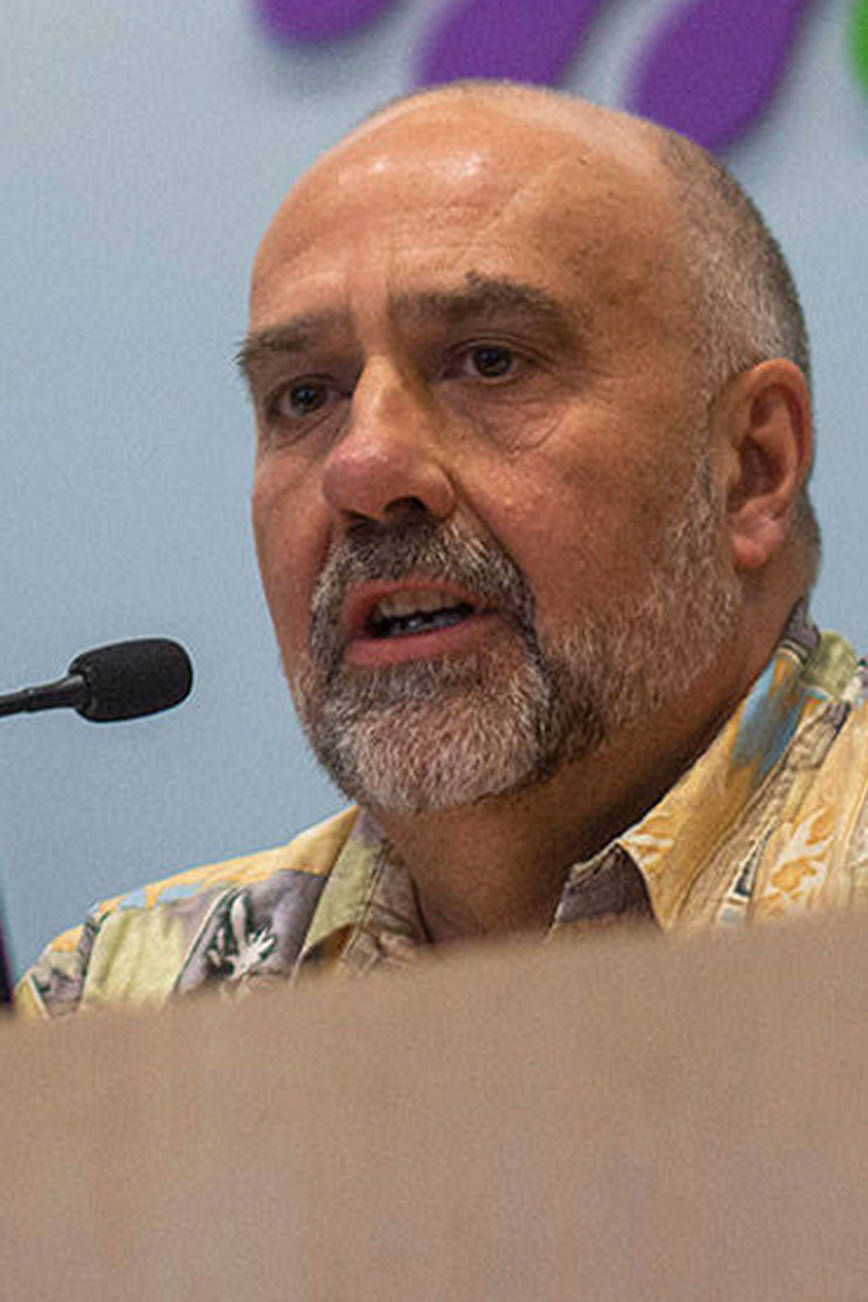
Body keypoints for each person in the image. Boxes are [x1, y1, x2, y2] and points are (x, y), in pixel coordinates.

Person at [17, 80, 868, 1018]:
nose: (363, 468)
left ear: (751, 466)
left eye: (491, 362)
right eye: (306, 397)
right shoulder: (118, 1002)